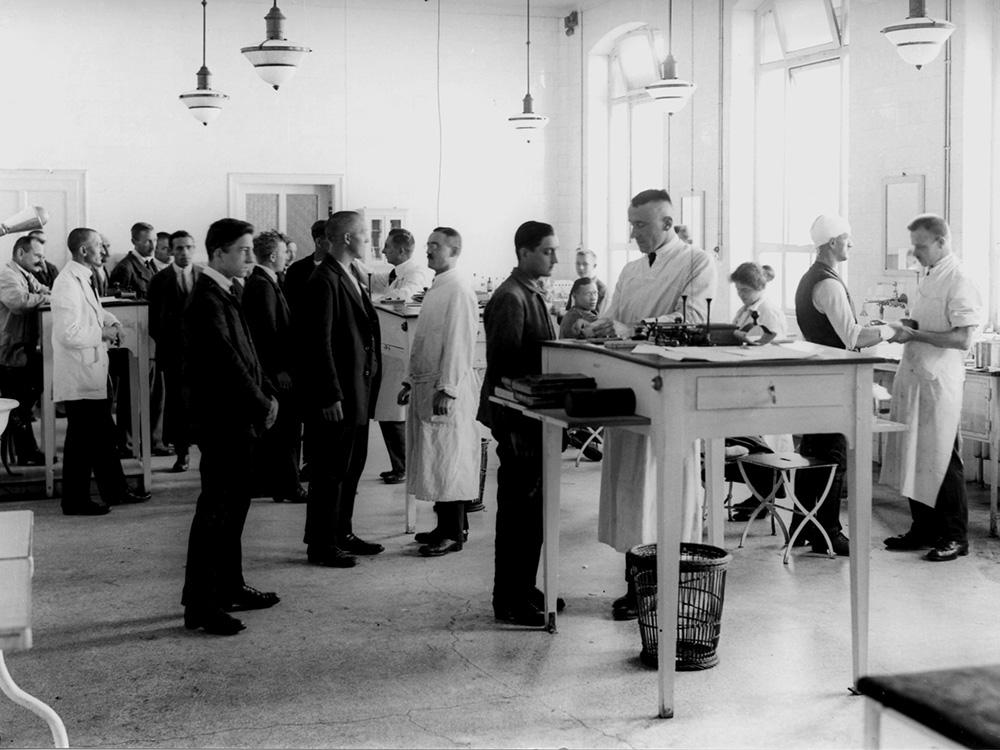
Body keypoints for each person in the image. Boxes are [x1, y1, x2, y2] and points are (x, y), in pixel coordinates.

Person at [586, 189, 717, 621]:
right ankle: (634, 580)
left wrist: (630, 327)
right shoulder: (630, 269)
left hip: (667, 389)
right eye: (631, 223)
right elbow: (613, 317)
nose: (633, 232)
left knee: (664, 487)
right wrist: (598, 327)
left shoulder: (696, 262)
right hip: (626, 388)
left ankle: (662, 580)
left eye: (640, 224)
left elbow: (692, 323)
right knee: (629, 488)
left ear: (666, 223)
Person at [181, 218, 279, 636]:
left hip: (239, 418)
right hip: (224, 421)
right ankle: (201, 605)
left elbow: (249, 353)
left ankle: (230, 586)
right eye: (243, 249)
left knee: (234, 507)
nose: (250, 257)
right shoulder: (206, 298)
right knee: (216, 512)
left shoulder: (226, 291)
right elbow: (226, 362)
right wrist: (262, 404)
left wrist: (268, 393)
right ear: (218, 252)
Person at [881, 214, 983, 562]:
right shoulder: (930, 275)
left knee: (943, 458)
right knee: (915, 454)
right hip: (918, 376)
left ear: (942, 242)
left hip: (940, 381)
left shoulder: (959, 279)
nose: (915, 253)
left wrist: (915, 334)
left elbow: (962, 337)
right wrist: (905, 325)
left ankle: (955, 537)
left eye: (921, 246)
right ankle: (923, 529)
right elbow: (927, 323)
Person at [794, 214, 894, 557]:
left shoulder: (810, 279)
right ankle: (829, 532)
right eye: (847, 238)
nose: (851, 243)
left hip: (815, 379)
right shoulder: (829, 284)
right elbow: (852, 337)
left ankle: (804, 526)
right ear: (833, 242)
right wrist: (892, 330)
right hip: (833, 380)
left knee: (813, 454)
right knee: (832, 456)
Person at [478, 220, 559, 627]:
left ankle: (524, 587)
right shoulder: (511, 298)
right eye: (547, 251)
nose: (555, 258)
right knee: (518, 515)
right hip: (518, 422)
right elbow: (506, 370)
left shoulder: (530, 293)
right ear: (523, 252)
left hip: (533, 420)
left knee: (532, 512)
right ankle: (508, 599)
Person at [301, 211, 384, 568]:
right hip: (339, 394)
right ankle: (321, 543)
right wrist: (329, 394)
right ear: (348, 238)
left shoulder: (350, 274)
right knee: (329, 471)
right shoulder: (324, 279)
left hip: (358, 390)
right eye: (365, 235)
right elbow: (317, 344)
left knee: (350, 467)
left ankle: (341, 531)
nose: (370, 240)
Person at [52, 228, 150, 515]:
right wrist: (104, 332)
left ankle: (115, 491)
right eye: (98, 246)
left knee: (103, 435)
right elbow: (69, 334)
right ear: (84, 250)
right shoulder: (67, 283)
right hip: (79, 373)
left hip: (90, 370)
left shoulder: (82, 277)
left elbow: (92, 312)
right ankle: (74, 501)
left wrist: (110, 319)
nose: (104, 251)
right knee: (81, 442)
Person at [397, 227, 479, 557]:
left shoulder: (458, 288)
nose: (428, 250)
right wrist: (408, 380)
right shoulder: (439, 285)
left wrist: (448, 388)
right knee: (437, 460)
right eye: (428, 245)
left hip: (447, 387)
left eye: (435, 246)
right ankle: (444, 526)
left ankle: (452, 533)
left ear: (454, 250)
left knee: (449, 461)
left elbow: (459, 343)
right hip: (427, 383)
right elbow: (424, 340)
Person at [243, 229, 306, 503]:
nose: (287, 257)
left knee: (281, 431)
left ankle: (277, 485)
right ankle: (289, 486)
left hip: (274, 371)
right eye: (283, 253)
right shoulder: (262, 284)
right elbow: (267, 332)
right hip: (276, 373)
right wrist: (280, 370)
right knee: (286, 432)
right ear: (271, 255)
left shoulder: (266, 281)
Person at [369, 228, 433, 485]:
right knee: (387, 412)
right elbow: (375, 280)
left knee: (394, 412)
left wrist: (375, 301)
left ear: (402, 250)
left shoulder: (415, 274)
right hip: (390, 348)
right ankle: (400, 464)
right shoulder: (396, 274)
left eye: (387, 246)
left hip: (402, 349)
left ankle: (404, 466)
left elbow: (403, 297)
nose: (383, 251)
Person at [147, 230, 199, 472]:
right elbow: (154, 323)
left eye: (188, 247)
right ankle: (182, 453)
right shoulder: (159, 281)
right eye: (179, 248)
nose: (184, 253)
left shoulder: (205, 277)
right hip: (174, 354)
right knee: (177, 405)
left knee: (203, 404)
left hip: (203, 354)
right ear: (171, 251)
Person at [0, 235, 50, 463]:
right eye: (37, 255)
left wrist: (43, 295)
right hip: (9, 351)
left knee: (27, 394)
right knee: (20, 398)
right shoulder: (6, 275)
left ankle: (23, 446)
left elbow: (46, 291)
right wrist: (44, 297)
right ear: (21, 253)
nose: (41, 261)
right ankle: (24, 450)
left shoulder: (25, 274)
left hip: (22, 348)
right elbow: (18, 302)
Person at [730, 261, 786, 337]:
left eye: (745, 290)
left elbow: (774, 346)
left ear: (759, 287)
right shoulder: (744, 310)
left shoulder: (770, 313)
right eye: (738, 289)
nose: (740, 294)